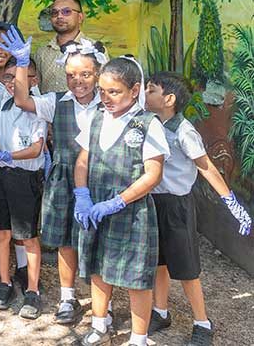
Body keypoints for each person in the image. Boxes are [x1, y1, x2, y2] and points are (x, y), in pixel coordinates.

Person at [3, 28, 106, 325]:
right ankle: (67, 297)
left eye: (85, 74)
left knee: (99, 240)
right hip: (63, 178)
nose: (78, 81)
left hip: (98, 179)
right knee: (65, 241)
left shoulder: (108, 103)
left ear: (97, 73)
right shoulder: (55, 101)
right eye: (72, 75)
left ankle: (103, 302)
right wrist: (22, 64)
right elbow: (22, 99)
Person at [145, 72, 251, 345]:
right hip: (154, 201)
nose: (145, 94)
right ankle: (160, 311)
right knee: (159, 261)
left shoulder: (183, 130)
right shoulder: (150, 123)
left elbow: (206, 167)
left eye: (151, 90)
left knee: (187, 268)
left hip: (177, 205)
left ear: (168, 99)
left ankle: (202, 322)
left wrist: (231, 202)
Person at [73, 57, 170, 346]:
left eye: (113, 92)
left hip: (131, 211)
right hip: (95, 209)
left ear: (134, 89)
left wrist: (117, 202)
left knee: (135, 277)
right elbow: (82, 161)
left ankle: (138, 338)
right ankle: (99, 327)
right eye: (102, 91)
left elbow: (153, 175)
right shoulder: (96, 117)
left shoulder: (147, 124)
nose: (106, 97)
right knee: (98, 269)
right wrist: (82, 195)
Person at [0, 57, 46, 320]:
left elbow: (36, 148)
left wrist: (6, 155)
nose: (12, 83)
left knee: (28, 235)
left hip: (25, 177)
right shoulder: (3, 106)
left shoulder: (37, 108)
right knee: (2, 234)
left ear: (34, 80)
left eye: (18, 77)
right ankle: (5, 283)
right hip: (3, 174)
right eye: (8, 78)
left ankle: (32, 290)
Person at [35, 0, 97, 94]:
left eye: (66, 12)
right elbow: (36, 90)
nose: (59, 16)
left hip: (83, 109)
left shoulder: (94, 49)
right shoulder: (42, 52)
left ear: (80, 17)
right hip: (49, 109)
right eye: (54, 13)